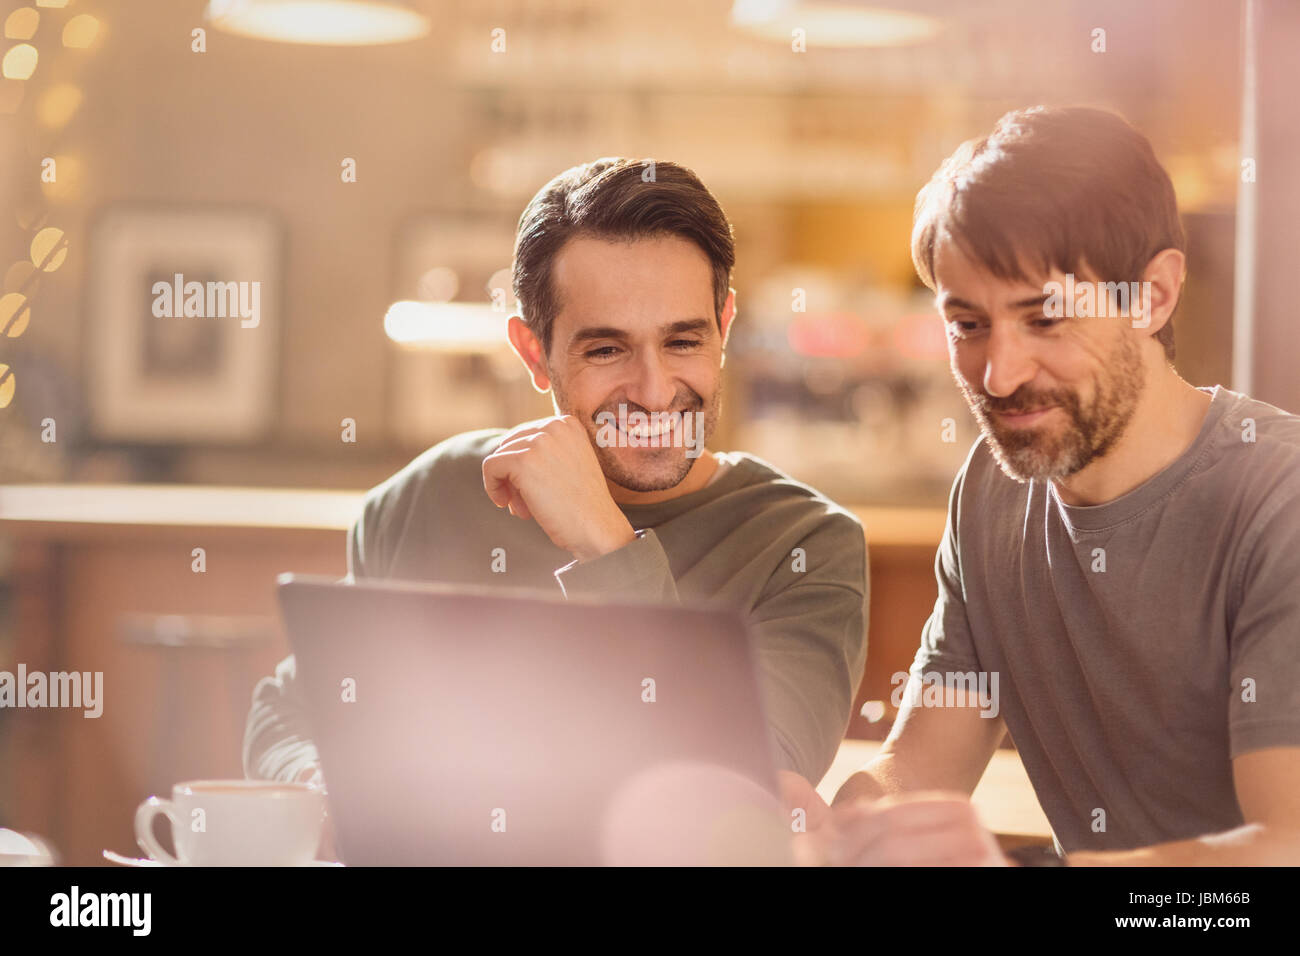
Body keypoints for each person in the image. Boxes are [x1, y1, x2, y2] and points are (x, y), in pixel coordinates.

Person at [244, 158, 869, 816]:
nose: (655, 392)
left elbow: (739, 793)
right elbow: (290, 712)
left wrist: (606, 543)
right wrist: (323, 786)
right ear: (533, 353)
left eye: (683, 341)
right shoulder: (427, 498)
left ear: (725, 328)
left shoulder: (808, 546)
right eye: (606, 350)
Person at [817, 106, 1300, 866]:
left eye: (1045, 320)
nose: (999, 375)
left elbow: (1281, 856)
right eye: (968, 325)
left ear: (1154, 295)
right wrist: (845, 830)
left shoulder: (1281, 504)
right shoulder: (994, 488)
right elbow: (916, 768)